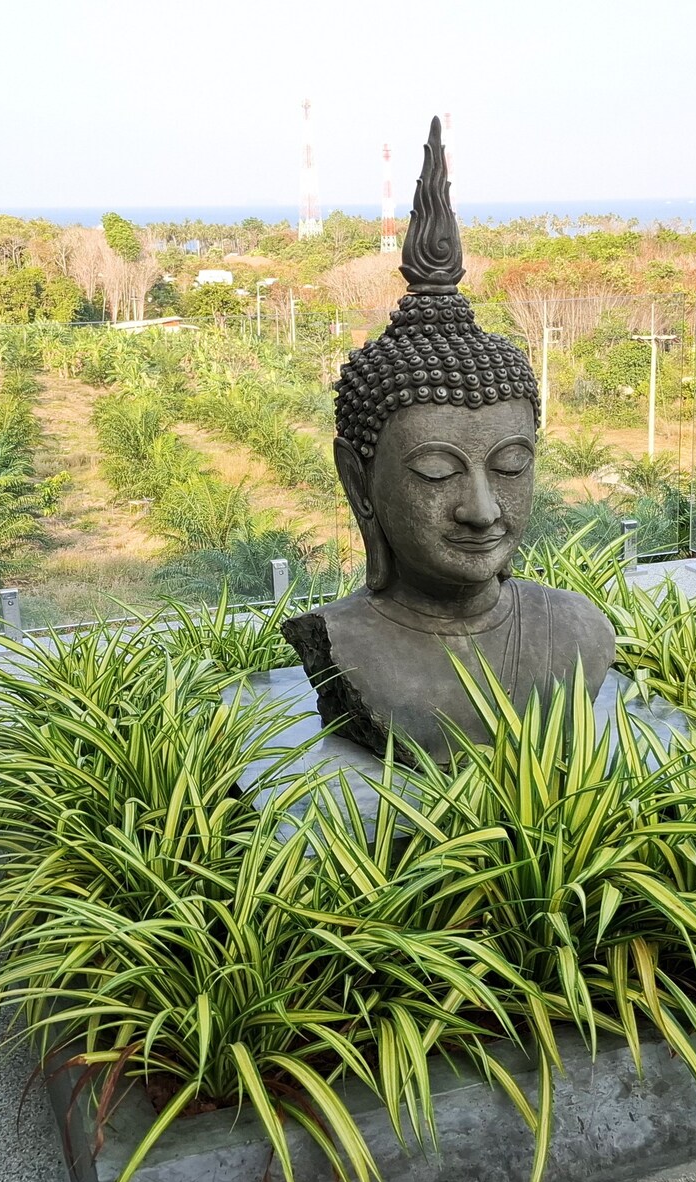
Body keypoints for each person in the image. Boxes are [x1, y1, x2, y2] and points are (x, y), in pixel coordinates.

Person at [282, 117, 614, 763]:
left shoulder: (578, 631)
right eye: (436, 471)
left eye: (512, 465)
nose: (483, 509)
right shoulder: (342, 641)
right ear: (360, 482)